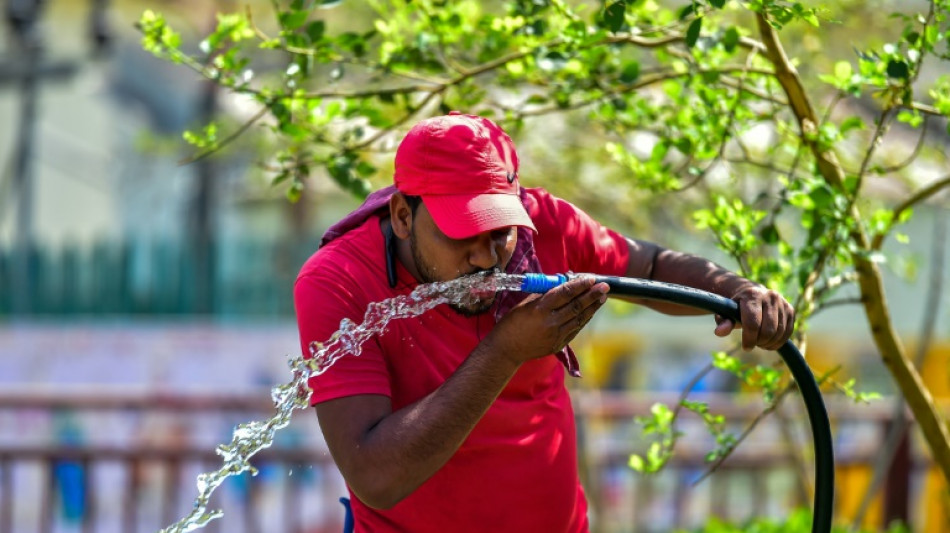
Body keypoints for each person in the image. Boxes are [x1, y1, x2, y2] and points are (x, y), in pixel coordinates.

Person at [294, 112, 794, 533]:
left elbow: (650, 267)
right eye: (463, 232)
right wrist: (504, 351)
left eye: (500, 231)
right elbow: (375, 476)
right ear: (403, 216)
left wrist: (737, 291)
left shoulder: (545, 226)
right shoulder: (339, 280)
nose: (486, 258)